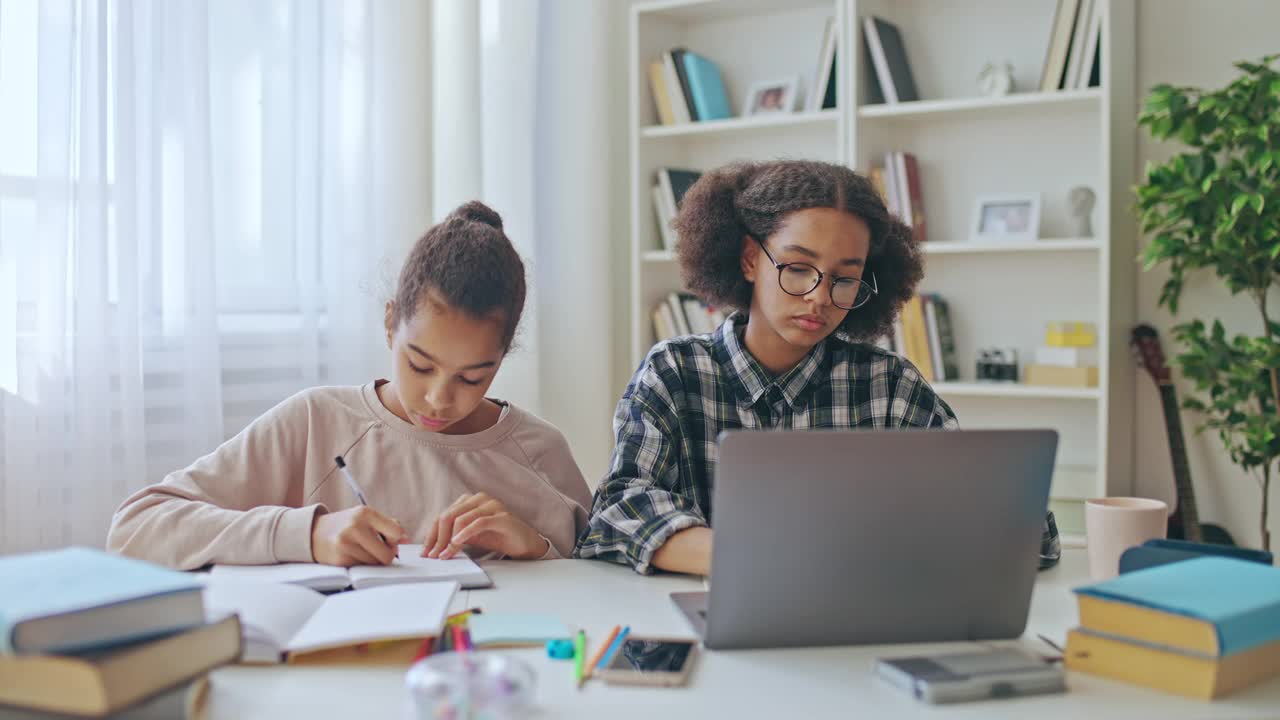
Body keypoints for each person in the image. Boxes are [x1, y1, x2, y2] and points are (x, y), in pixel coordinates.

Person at [108, 201, 590, 570]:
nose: (439, 399)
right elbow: (135, 529)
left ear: (502, 358)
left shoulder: (540, 452)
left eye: (472, 377)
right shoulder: (316, 422)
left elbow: (607, 579)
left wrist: (536, 548)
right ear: (389, 325)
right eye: (420, 365)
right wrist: (308, 534)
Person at [575, 159, 957, 576]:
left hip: (851, 625)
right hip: (697, 628)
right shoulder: (675, 373)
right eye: (797, 269)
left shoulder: (891, 389)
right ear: (749, 259)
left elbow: (988, 514)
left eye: (844, 279)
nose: (820, 298)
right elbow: (620, 506)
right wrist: (765, 558)